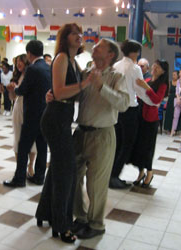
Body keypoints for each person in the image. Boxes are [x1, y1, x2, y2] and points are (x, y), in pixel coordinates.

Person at [35, 23, 91, 244]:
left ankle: (44, 213)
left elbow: (64, 93)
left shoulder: (72, 61)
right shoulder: (61, 58)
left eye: (80, 32)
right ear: (65, 38)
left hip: (62, 118)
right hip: (55, 120)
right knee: (66, 173)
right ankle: (62, 225)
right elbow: (60, 92)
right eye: (74, 33)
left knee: (60, 169)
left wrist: (61, 92)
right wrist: (85, 83)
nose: (79, 36)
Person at [72, 39, 130, 239]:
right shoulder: (86, 72)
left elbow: (123, 103)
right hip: (80, 132)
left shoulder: (117, 76)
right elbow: (79, 97)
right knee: (75, 177)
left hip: (103, 134)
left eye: (99, 46)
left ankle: (96, 224)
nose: (93, 48)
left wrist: (101, 87)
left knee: (96, 183)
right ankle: (80, 217)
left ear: (110, 55)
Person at [109, 39, 157, 189]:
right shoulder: (134, 68)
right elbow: (141, 91)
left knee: (116, 143)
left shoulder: (116, 65)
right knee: (127, 144)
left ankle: (110, 174)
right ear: (135, 52)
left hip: (116, 109)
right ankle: (114, 176)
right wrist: (154, 101)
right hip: (129, 109)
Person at [3, 40, 51, 187]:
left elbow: (22, 90)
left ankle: (19, 179)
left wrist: (14, 88)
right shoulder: (49, 67)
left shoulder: (32, 69)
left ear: (29, 53)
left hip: (31, 115)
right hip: (45, 113)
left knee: (23, 147)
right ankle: (39, 177)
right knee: (42, 147)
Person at [130, 59, 169, 188]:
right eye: (154, 65)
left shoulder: (162, 84)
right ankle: (141, 172)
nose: (154, 68)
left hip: (150, 118)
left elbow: (157, 99)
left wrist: (146, 88)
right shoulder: (147, 80)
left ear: (163, 71)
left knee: (148, 146)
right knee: (139, 145)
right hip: (139, 114)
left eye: (157, 67)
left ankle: (149, 172)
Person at [8, 54, 36, 177]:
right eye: (17, 63)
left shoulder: (32, 76)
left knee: (32, 139)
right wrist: (11, 90)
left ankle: (30, 165)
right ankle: (20, 167)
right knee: (18, 137)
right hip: (18, 108)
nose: (18, 65)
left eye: (21, 62)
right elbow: (13, 98)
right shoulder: (17, 76)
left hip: (30, 108)